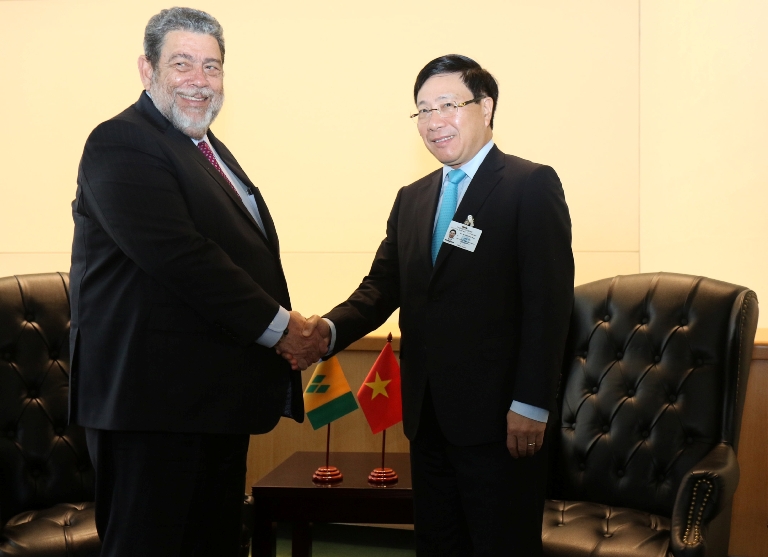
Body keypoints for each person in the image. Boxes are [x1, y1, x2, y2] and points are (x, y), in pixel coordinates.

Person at [287, 54, 574, 556]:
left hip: (502, 422)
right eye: (423, 110)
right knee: (437, 545)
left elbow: (548, 306)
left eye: (448, 105)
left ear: (486, 108)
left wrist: (531, 403)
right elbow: (380, 288)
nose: (434, 120)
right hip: (427, 418)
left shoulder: (530, 185)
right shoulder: (413, 198)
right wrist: (326, 331)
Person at [69, 7, 326, 556]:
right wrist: (282, 329)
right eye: (182, 64)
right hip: (150, 409)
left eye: (212, 67)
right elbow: (184, 258)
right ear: (147, 69)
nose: (199, 80)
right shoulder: (120, 141)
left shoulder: (204, 149)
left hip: (211, 402)